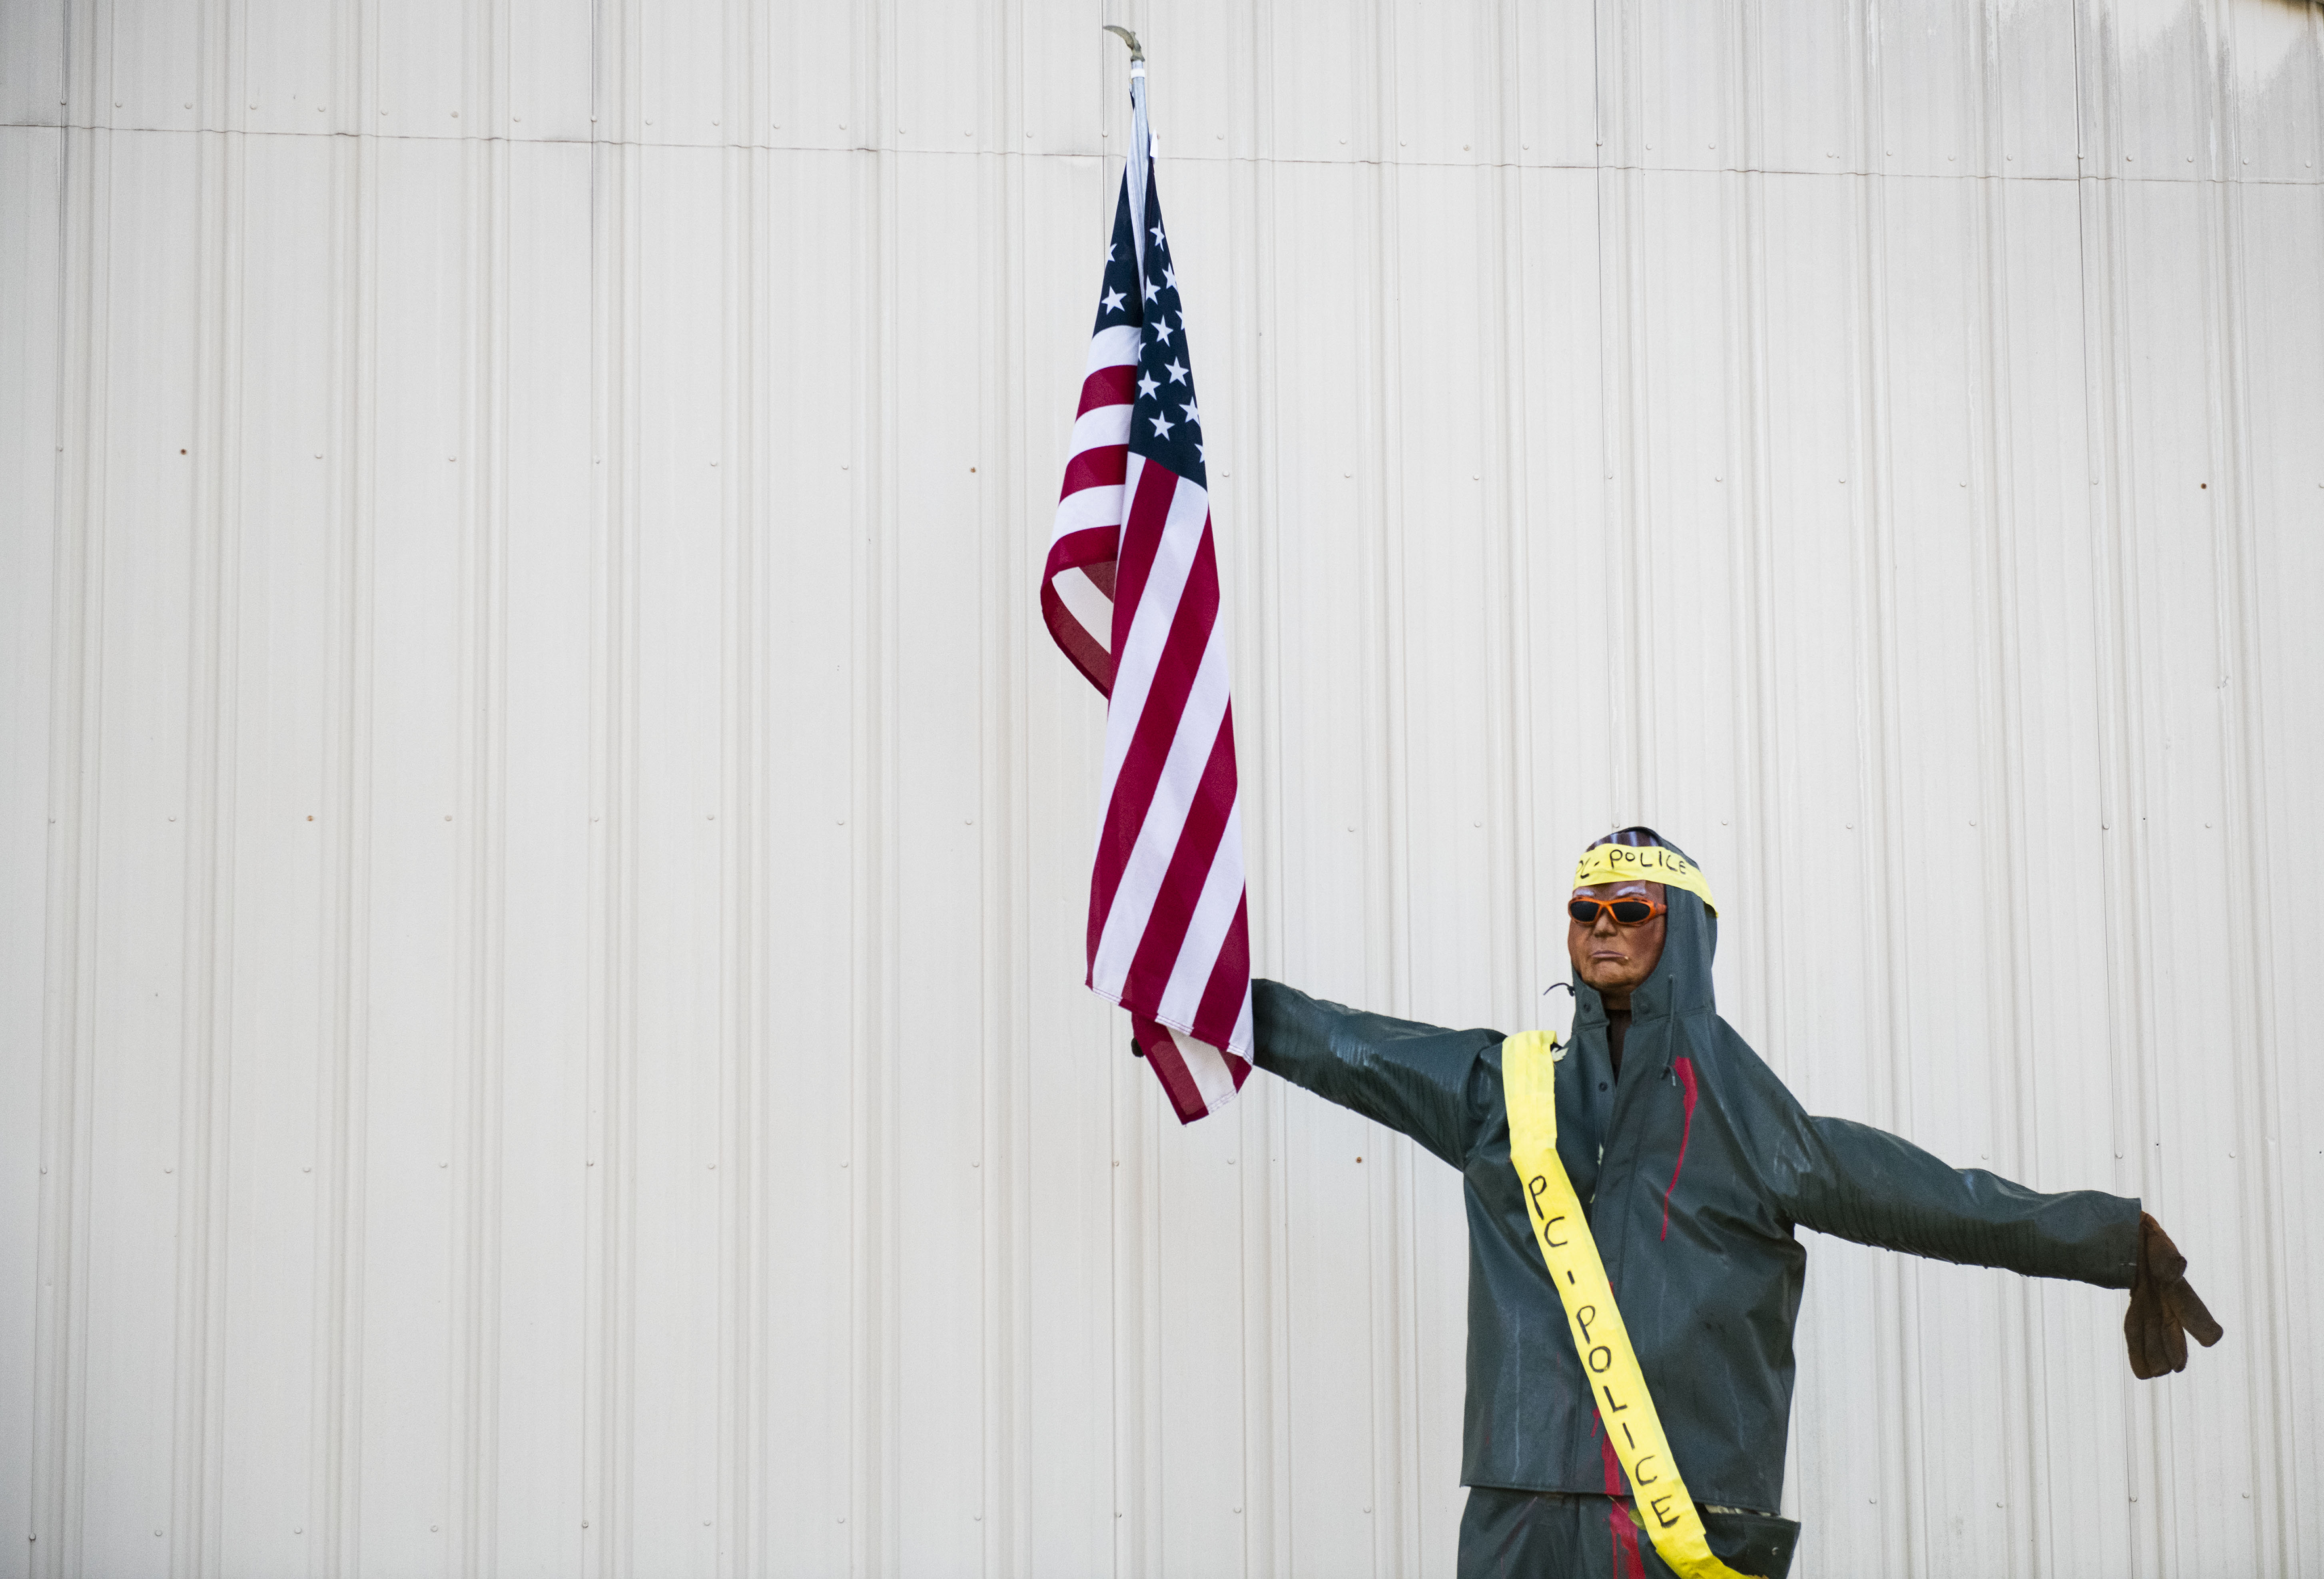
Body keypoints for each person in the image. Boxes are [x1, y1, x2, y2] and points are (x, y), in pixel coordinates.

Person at [1250, 827, 2219, 1579]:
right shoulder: (1501, 1090)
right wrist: (1200, 994)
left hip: (1688, 1518)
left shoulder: (1751, 1118)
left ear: (1686, 930)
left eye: (1633, 908)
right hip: (1519, 1509)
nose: (1602, 927)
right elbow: (1345, 1044)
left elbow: (1938, 1199)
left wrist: (2107, 1238)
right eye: (1586, 907)